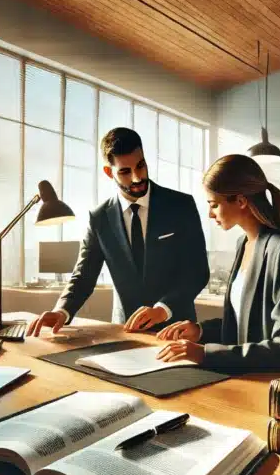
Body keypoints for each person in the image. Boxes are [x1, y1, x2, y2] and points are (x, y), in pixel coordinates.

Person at [27, 127, 209, 336]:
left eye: (141, 166)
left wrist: (163, 309)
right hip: (125, 332)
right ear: (108, 172)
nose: (137, 177)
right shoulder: (99, 218)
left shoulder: (181, 205)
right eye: (125, 171)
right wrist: (62, 311)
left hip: (177, 330)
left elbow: (197, 271)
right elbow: (84, 274)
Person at [155, 154, 280, 371]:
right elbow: (245, 325)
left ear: (241, 201)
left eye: (213, 204)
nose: (210, 214)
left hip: (272, 380)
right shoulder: (244, 243)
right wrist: (200, 331)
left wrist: (205, 353)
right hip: (247, 376)